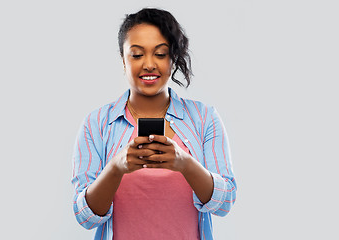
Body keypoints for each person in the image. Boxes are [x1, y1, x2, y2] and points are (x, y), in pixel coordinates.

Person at [72, 8, 237, 240]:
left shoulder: (204, 117)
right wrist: (116, 168)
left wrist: (186, 164)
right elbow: (85, 216)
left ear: (173, 58)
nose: (149, 64)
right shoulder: (96, 124)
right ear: (123, 59)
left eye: (160, 54)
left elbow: (225, 201)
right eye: (137, 55)